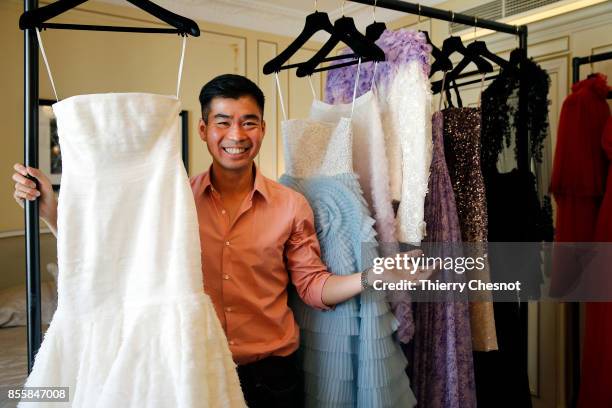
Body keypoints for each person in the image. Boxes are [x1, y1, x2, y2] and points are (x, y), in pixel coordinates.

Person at [12, 74, 431, 408]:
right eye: (223, 122)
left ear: (263, 129)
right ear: (203, 129)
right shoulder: (173, 202)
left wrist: (374, 275)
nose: (237, 134)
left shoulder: (291, 205)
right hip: (197, 369)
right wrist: (50, 209)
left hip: (273, 376)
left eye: (248, 122)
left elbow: (313, 286)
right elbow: (111, 257)